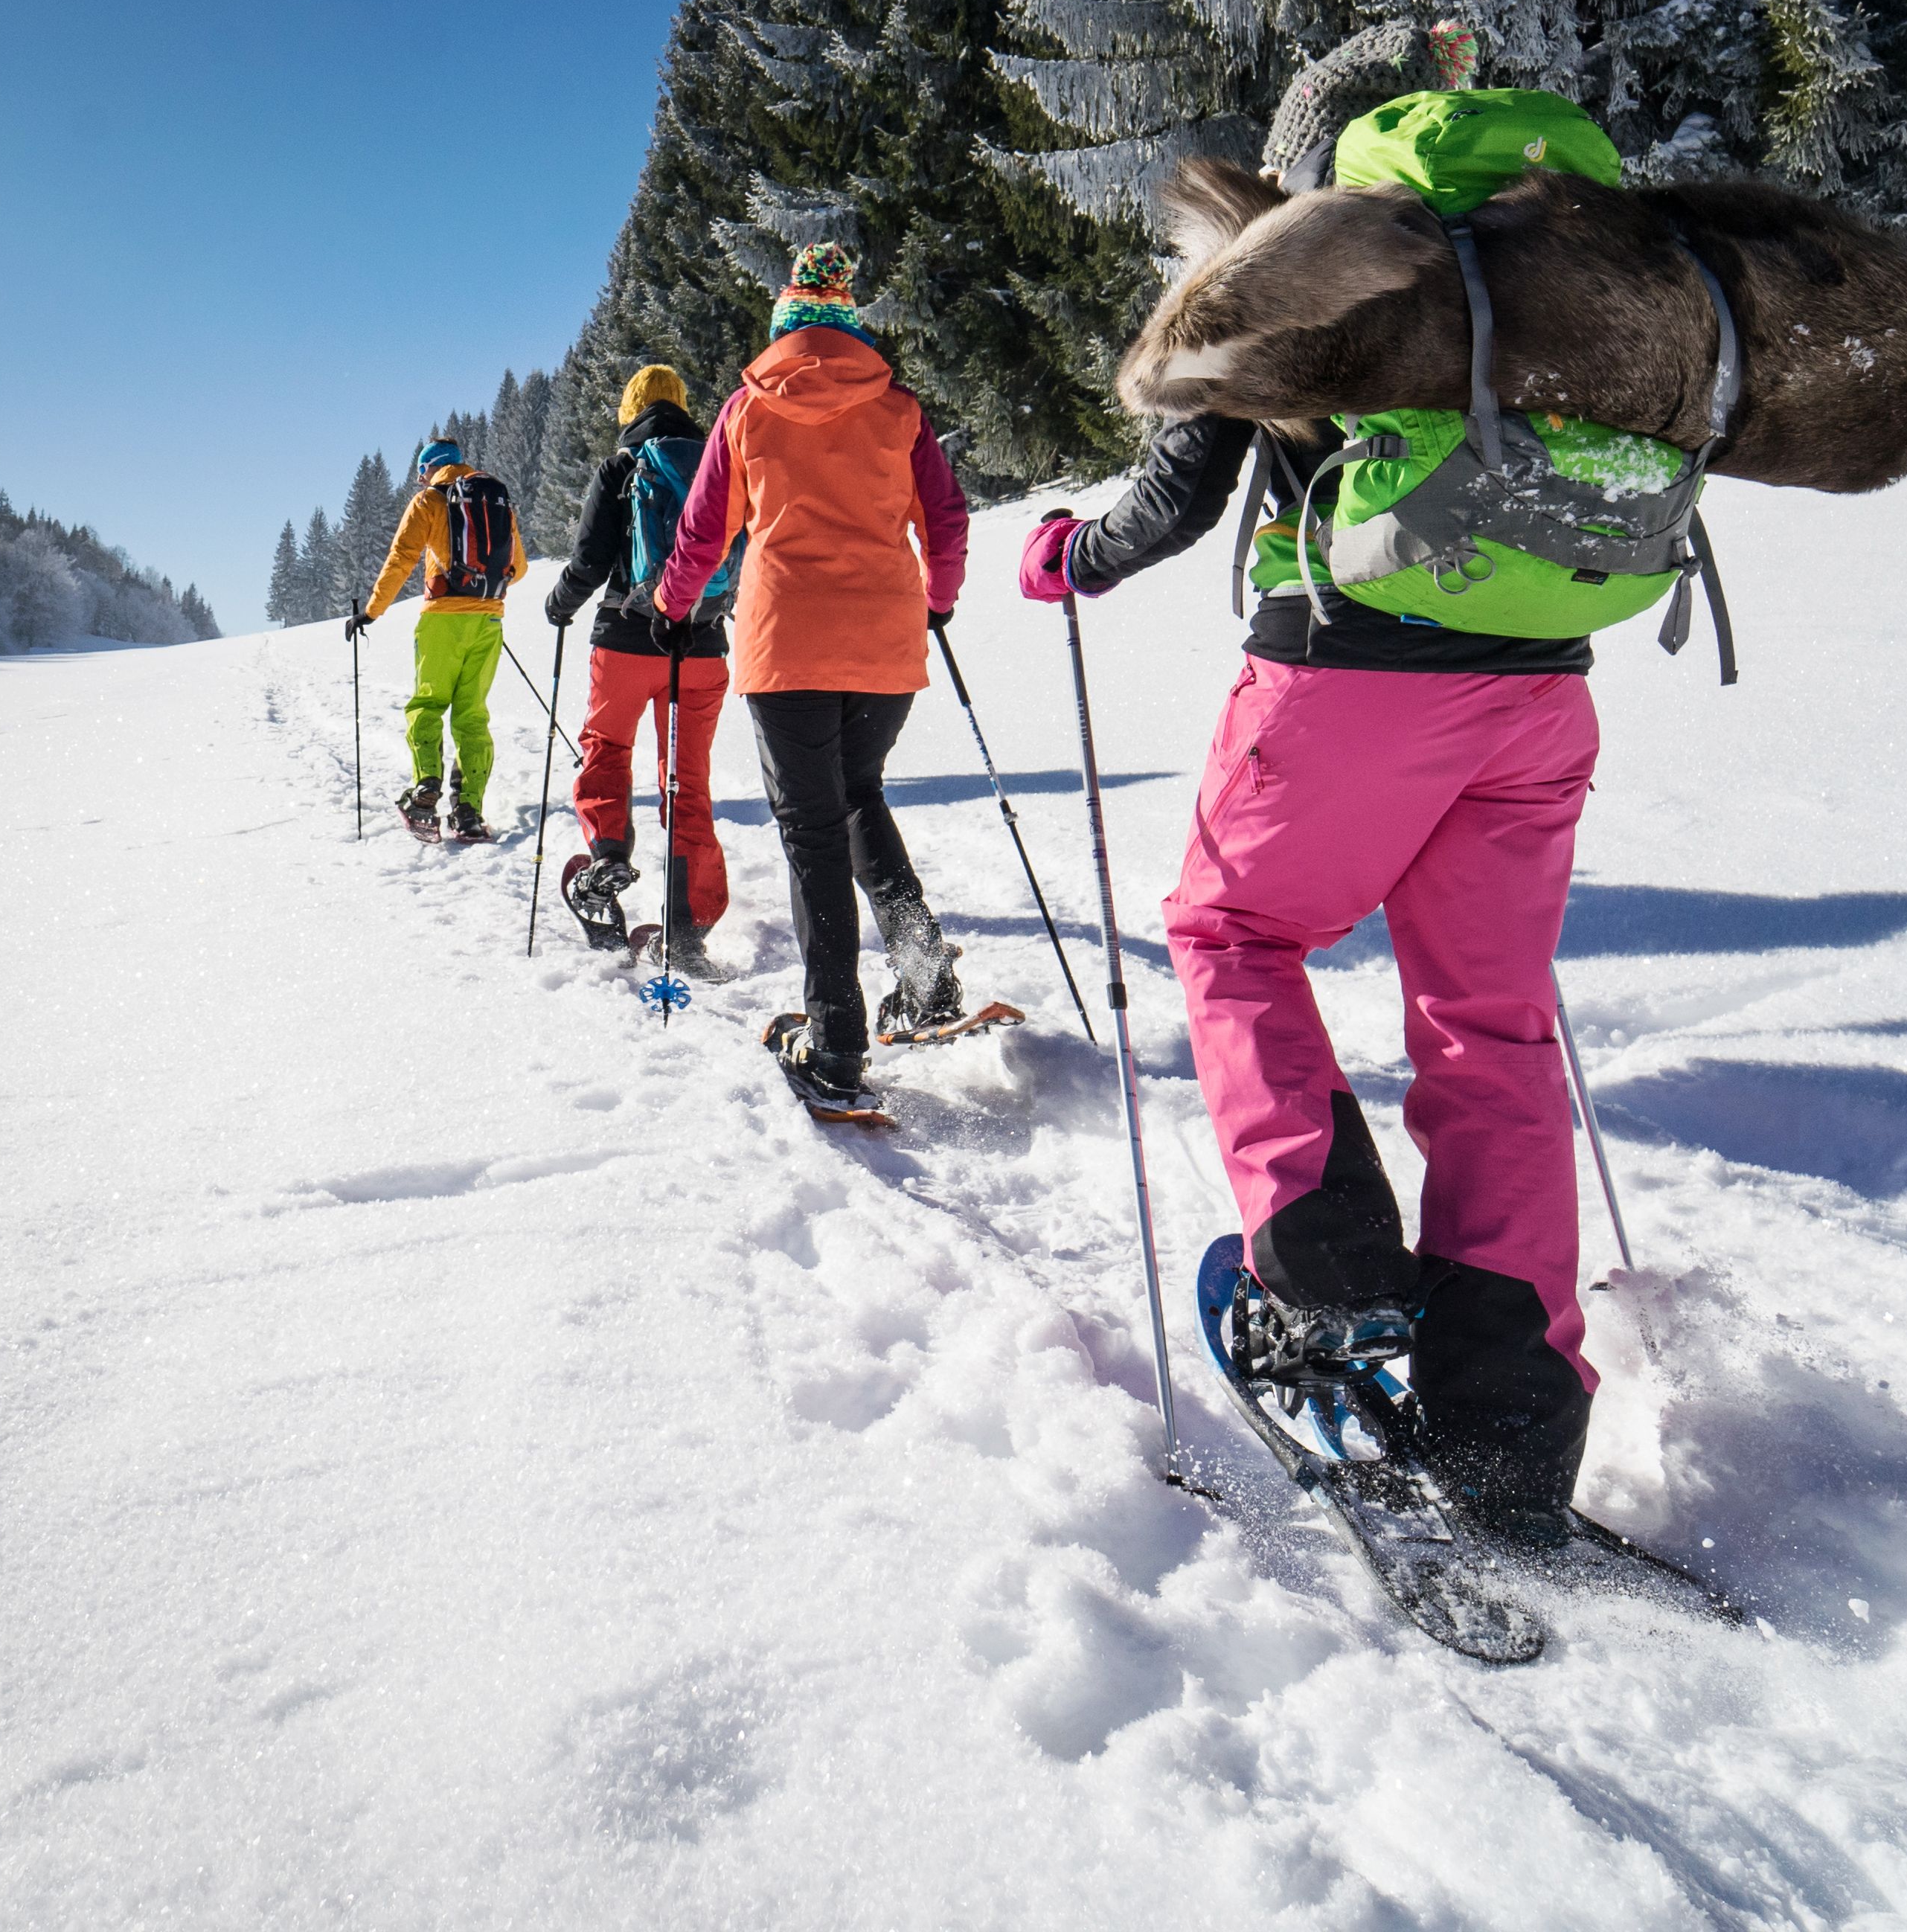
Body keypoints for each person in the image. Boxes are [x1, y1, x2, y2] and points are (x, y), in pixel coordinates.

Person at [1019, 410, 1599, 1547]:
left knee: (1230, 929)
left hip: (1352, 656)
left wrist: (1076, 555)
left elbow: (1183, 487)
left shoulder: (1304, 252)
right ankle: (1512, 1435)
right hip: (1545, 682)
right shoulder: (1545, 243)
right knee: (1492, 1023)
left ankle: (1327, 1270)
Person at [653, 242, 966, 1108]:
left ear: (785, 318)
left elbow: (703, 531)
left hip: (787, 643)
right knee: (858, 794)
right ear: (850, 320)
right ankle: (925, 973)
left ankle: (834, 1044)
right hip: (886, 642)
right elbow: (944, 516)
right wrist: (939, 599)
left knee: (815, 830)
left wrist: (672, 607)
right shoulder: (898, 408)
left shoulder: (749, 410)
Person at [539, 365, 734, 946]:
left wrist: (559, 604)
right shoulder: (717, 463)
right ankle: (689, 923)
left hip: (625, 640)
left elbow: (590, 562)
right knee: (687, 781)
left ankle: (607, 856)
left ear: (630, 412)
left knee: (607, 746)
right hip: (701, 646)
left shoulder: (620, 468)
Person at [349, 437, 527, 839]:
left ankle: (426, 787)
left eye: (420, 474)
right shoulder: (496, 500)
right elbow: (520, 566)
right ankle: (468, 811)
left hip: (441, 623)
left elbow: (401, 559)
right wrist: (482, 595)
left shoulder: (429, 501)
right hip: (489, 623)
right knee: (473, 716)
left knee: (428, 705)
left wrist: (371, 612)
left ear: (428, 469)